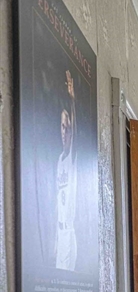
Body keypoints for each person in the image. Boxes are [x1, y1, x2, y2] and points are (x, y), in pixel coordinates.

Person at [55, 70, 77, 271]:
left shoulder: (72, 158)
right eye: (62, 127)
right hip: (58, 233)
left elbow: (76, 130)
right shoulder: (59, 161)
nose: (64, 132)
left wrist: (72, 100)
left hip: (69, 235)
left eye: (67, 128)